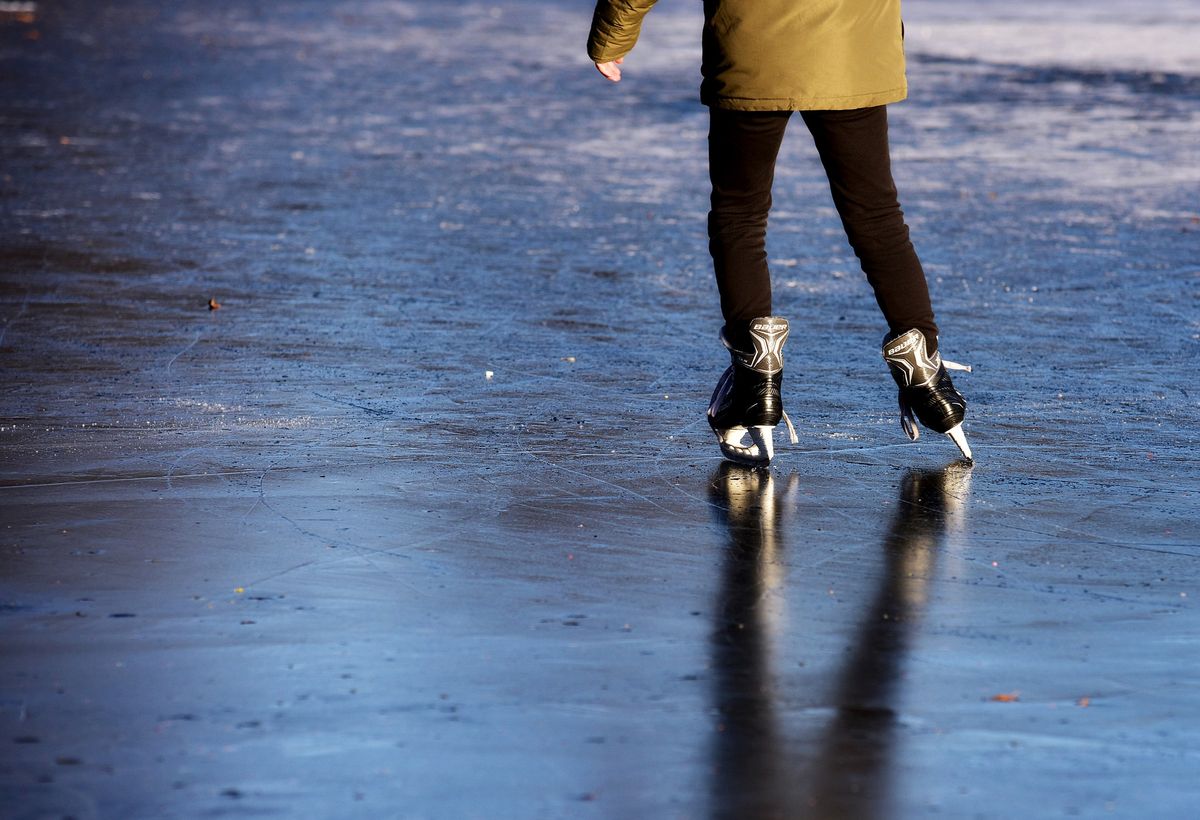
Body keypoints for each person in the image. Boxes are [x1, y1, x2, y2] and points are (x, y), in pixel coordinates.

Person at [587, 0, 972, 465]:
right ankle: (924, 370)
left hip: (754, 49)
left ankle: (756, 377)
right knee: (877, 218)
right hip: (854, 52)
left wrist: (612, 37)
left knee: (740, 214)